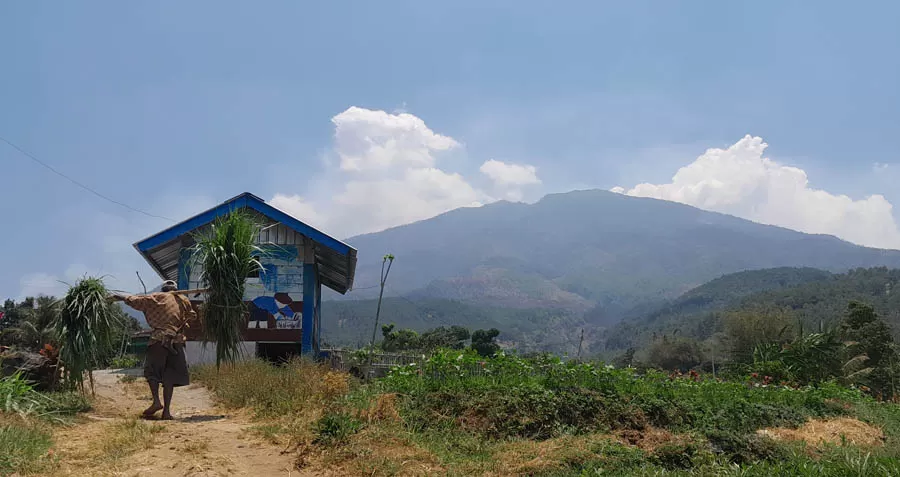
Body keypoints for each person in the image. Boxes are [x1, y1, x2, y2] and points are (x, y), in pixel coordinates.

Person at [112, 280, 195, 420]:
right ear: (175, 289)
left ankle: (156, 401)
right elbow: (192, 316)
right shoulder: (184, 299)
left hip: (159, 339)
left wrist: (119, 296)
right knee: (170, 375)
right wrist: (182, 323)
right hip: (177, 340)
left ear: (163, 289)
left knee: (152, 371)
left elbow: (135, 300)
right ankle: (166, 412)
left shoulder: (156, 297)